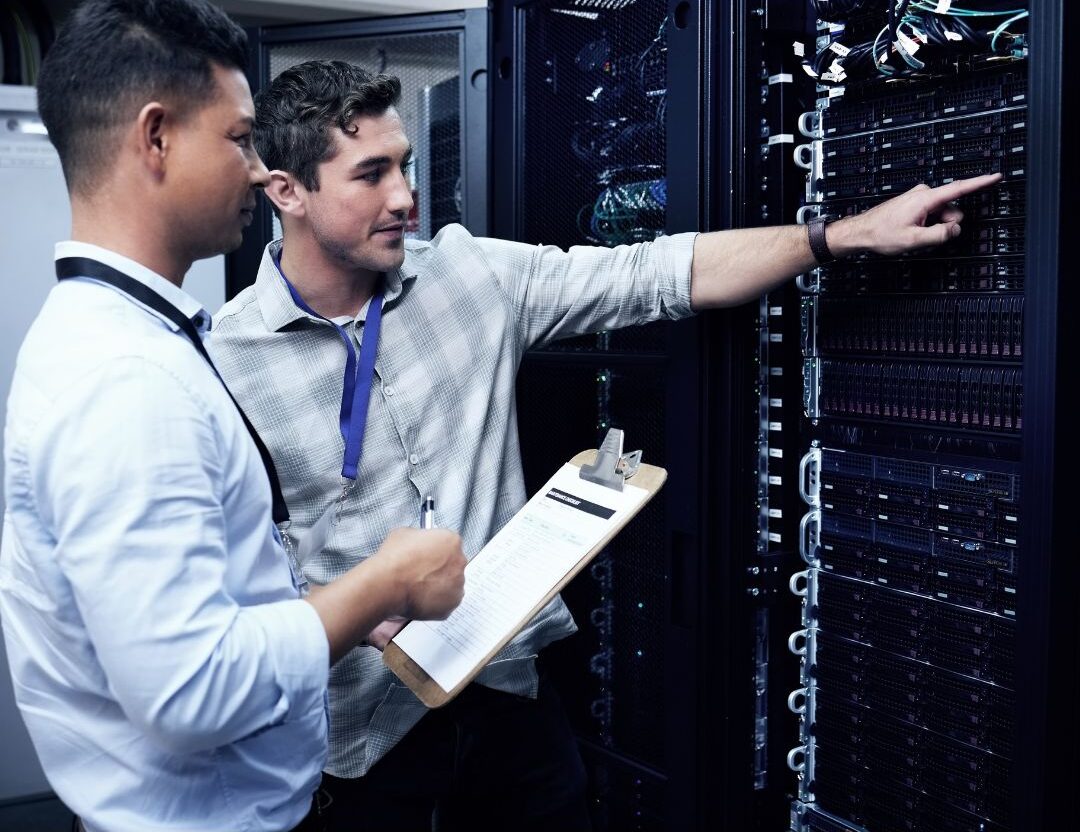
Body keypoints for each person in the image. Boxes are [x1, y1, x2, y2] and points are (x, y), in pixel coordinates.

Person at [208, 58, 1001, 832]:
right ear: (288, 193)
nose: (406, 198)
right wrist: (357, 605)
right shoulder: (225, 365)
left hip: (506, 693)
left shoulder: (470, 275)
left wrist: (847, 234)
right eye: (371, 175)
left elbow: (655, 272)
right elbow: (225, 584)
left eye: (406, 167)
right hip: (358, 738)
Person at [0, 5, 466, 832]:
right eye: (240, 138)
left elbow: (197, 609)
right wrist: (381, 583)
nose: (259, 171)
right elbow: (191, 693)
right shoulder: (126, 381)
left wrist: (339, 607)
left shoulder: (119, 334)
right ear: (156, 138)